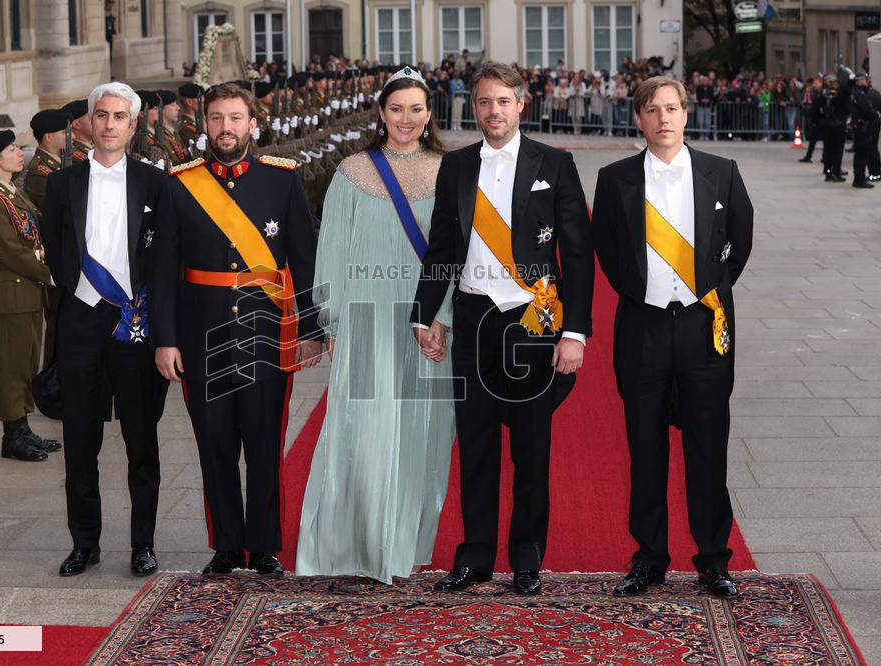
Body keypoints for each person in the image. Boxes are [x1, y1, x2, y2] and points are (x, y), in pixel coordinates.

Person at [411, 62, 594, 595]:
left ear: (522, 105)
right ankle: (474, 557)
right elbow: (442, 249)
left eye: (504, 102)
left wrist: (575, 333)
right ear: (474, 108)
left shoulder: (554, 164)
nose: (494, 111)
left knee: (532, 448)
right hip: (472, 319)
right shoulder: (458, 166)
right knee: (476, 445)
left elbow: (578, 256)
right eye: (484, 102)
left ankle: (527, 560)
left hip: (532, 321)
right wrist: (425, 314)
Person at [150, 82, 323, 577]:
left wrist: (311, 329)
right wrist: (165, 338)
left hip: (266, 332)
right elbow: (163, 269)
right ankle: (227, 545)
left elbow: (306, 262)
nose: (225, 128)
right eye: (216, 119)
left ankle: (264, 544)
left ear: (253, 123)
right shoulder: (180, 183)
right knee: (215, 444)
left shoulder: (283, 180)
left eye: (235, 118)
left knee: (265, 444)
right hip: (201, 336)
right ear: (205, 124)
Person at [591, 76, 754, 600]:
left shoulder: (721, 172)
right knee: (645, 448)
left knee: (708, 446)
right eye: (652, 110)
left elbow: (740, 243)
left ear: (687, 114)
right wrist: (647, 295)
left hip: (705, 329)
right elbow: (610, 254)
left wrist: (705, 288)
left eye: (672, 108)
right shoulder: (614, 178)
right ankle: (649, 559)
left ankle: (713, 561)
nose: (663, 118)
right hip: (643, 327)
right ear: (638, 118)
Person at [296, 68, 456, 584]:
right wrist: (332, 320)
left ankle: (402, 546)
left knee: (419, 435)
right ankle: (357, 545)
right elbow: (332, 252)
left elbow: (457, 253)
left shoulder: (450, 171)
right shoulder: (351, 172)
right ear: (380, 113)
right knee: (362, 433)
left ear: (430, 113)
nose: (406, 119)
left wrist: (443, 318)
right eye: (396, 108)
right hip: (365, 319)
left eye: (416, 109)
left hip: (425, 323)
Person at [40, 83, 169, 578]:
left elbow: (163, 254)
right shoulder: (61, 184)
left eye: (120, 116)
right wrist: (77, 289)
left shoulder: (156, 184)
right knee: (79, 440)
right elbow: (53, 244)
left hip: (133, 323)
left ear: (133, 125)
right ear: (88, 123)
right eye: (102, 115)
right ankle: (84, 543)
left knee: (141, 439)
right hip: (80, 322)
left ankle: (143, 544)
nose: (110, 124)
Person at [0, 130, 61, 463]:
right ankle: (12, 435)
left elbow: (37, 230)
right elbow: (12, 251)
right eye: (11, 149)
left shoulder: (12, 193)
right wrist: (50, 275)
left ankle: (23, 429)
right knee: (12, 368)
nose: (18, 152)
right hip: (11, 293)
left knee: (25, 365)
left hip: (26, 292)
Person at [23, 109, 70, 368]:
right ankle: (52, 380)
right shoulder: (42, 171)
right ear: (49, 136)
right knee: (56, 322)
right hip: (53, 254)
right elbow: (49, 217)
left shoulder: (57, 163)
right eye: (63, 132)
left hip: (63, 252)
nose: (67, 136)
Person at [815, 74, 849, 182]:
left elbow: (815, 109)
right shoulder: (840, 95)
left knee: (828, 150)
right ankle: (837, 173)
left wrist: (819, 120)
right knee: (837, 151)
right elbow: (846, 109)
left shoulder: (823, 94)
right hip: (838, 125)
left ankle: (828, 172)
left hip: (826, 125)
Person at [849, 72, 878, 189]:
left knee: (859, 154)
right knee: (862, 154)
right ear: (860, 81)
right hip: (863, 127)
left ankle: (859, 178)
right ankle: (859, 179)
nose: (868, 81)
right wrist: (876, 114)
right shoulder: (860, 94)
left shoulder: (856, 93)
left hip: (859, 126)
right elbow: (867, 111)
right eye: (866, 79)